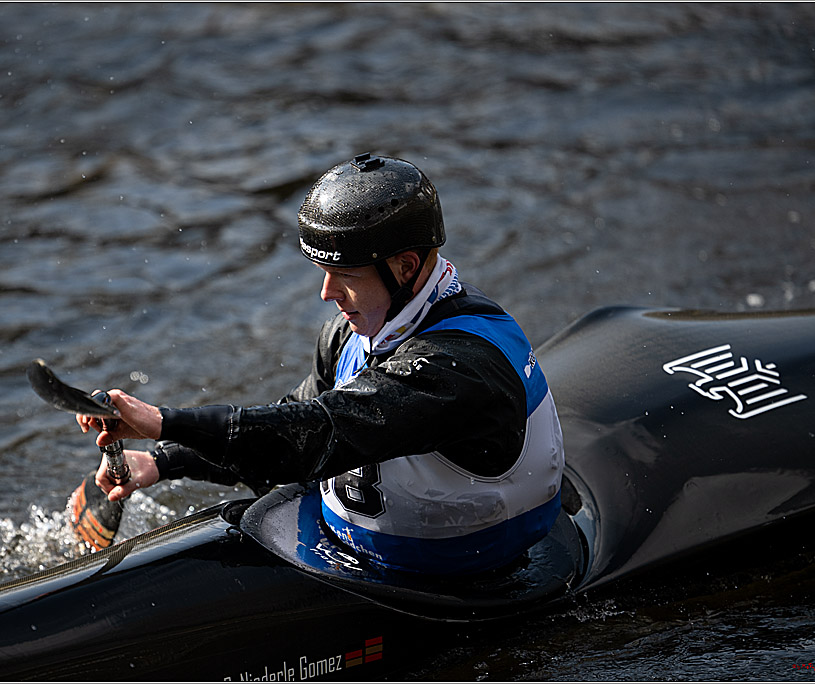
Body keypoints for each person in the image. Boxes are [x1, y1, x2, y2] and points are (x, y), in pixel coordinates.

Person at [77, 153, 564, 574]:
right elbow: (291, 417)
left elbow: (315, 435)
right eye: (323, 272)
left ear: (406, 267)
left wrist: (164, 423)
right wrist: (164, 461)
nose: (327, 293)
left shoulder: (457, 370)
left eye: (344, 275)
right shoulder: (356, 329)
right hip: (351, 554)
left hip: (466, 582)